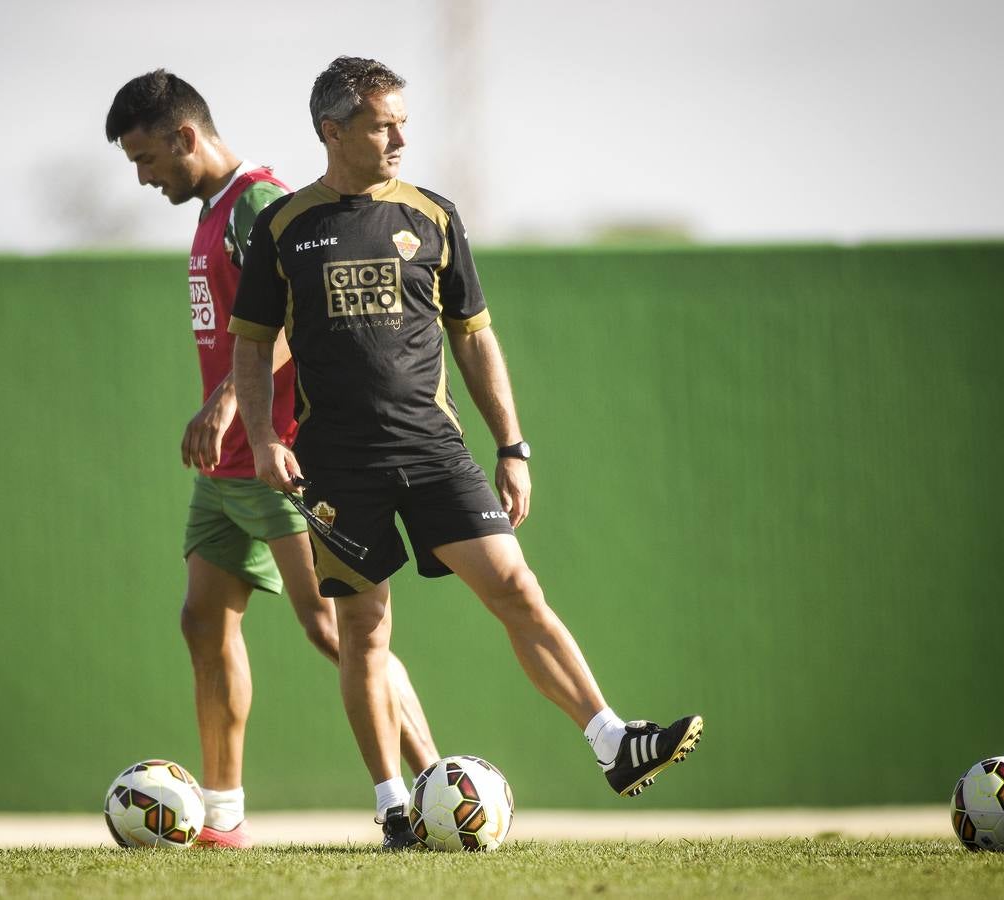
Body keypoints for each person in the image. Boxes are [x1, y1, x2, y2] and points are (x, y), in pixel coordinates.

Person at [230, 57, 703, 850]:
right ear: (332, 130)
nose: (400, 137)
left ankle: (613, 742)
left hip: (434, 448)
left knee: (515, 585)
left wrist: (511, 446)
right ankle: (391, 806)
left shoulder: (434, 215)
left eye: (402, 121)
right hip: (337, 465)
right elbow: (250, 349)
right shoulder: (283, 227)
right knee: (365, 633)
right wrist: (262, 438)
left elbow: (475, 340)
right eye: (382, 123)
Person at [104, 69, 439, 849]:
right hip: (224, 478)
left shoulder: (259, 202)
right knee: (202, 621)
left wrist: (226, 404)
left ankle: (437, 789)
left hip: (281, 455)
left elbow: (301, 308)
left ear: (186, 136)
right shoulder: (210, 212)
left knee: (335, 630)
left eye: (147, 158)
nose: (144, 177)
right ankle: (221, 817)